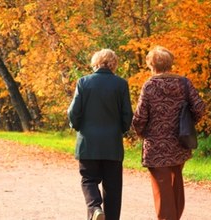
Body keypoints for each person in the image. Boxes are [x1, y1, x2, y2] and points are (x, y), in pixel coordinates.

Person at [132, 46, 205, 220]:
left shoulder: (150, 85)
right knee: (175, 184)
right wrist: (187, 123)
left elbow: (140, 116)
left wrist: (140, 132)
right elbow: (200, 107)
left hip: (156, 146)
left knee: (162, 188)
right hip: (180, 143)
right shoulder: (184, 83)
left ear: (152, 65)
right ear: (170, 63)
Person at [67, 49, 133, 220]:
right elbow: (127, 114)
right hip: (112, 144)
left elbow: (74, 112)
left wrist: (76, 126)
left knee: (88, 179)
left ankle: (95, 207)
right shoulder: (121, 84)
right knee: (113, 187)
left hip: (88, 143)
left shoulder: (83, 82)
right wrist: (122, 129)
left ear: (95, 63)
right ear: (114, 64)